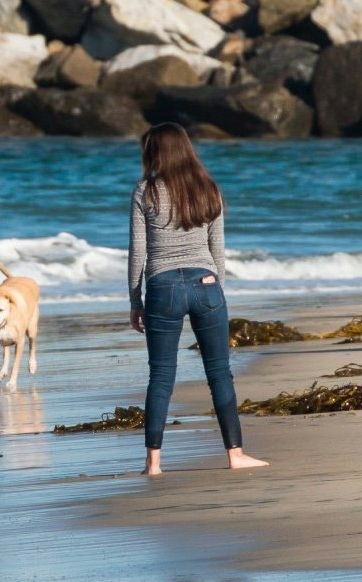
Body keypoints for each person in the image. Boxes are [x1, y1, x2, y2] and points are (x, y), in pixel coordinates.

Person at [127, 122, 267, 475]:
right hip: (206, 284)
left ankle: (153, 463)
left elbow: (137, 254)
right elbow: (217, 251)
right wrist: (214, 286)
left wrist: (135, 300)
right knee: (219, 372)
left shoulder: (146, 191)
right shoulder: (208, 188)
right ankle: (235, 455)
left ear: (156, 153)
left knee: (161, 376)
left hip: (162, 288)